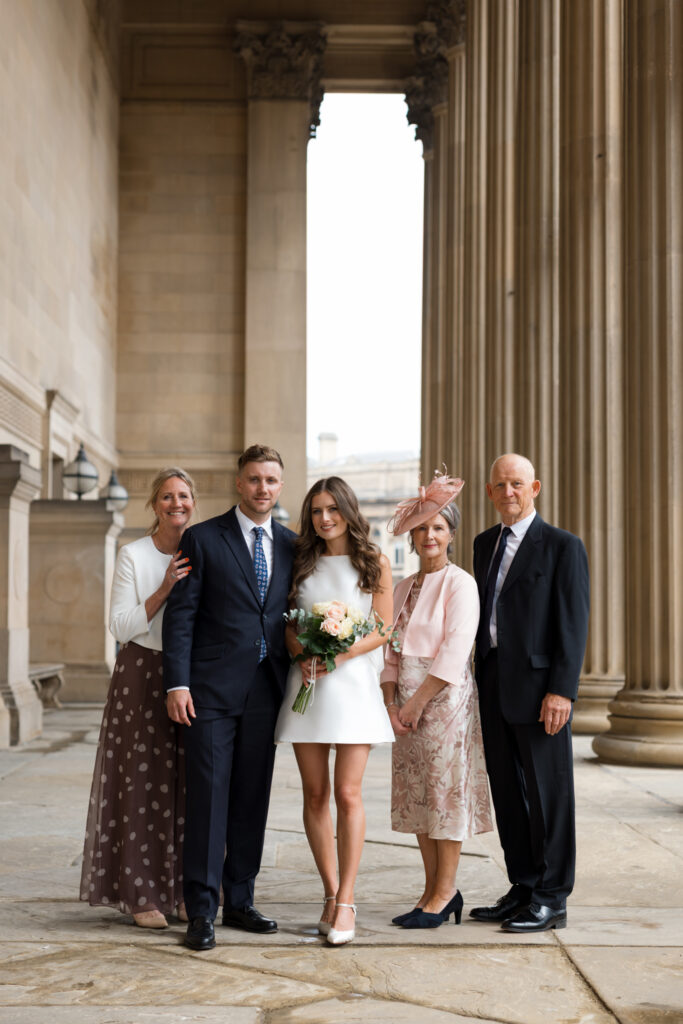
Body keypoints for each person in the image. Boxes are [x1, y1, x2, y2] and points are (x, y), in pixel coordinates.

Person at [163, 444, 296, 952]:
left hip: (267, 689)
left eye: (271, 480)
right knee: (209, 800)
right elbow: (181, 616)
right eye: (254, 479)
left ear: (280, 487)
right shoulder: (201, 538)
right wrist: (177, 684)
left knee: (250, 798)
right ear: (239, 483)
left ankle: (240, 900)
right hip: (209, 692)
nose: (263, 488)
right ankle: (201, 910)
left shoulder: (292, 545)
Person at [470, 453, 589, 932]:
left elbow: (573, 624)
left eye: (517, 484)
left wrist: (562, 690)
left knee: (549, 794)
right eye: (500, 485)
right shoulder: (483, 544)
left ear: (534, 488)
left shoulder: (562, 546)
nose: (508, 492)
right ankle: (522, 885)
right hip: (493, 683)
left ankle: (552, 897)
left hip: (542, 691)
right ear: (489, 492)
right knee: (508, 792)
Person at [274, 477, 394, 946]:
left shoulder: (374, 561)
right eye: (316, 511)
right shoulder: (299, 561)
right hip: (307, 682)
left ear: (348, 510)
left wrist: (339, 655)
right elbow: (286, 624)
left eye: (332, 509)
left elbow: (383, 627)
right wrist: (302, 653)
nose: (325, 519)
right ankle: (328, 892)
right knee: (315, 794)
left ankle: (347, 900)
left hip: (353, 685)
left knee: (347, 792)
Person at [80, 468, 196, 928]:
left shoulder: (202, 548)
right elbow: (121, 626)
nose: (176, 503)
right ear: (154, 504)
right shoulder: (133, 554)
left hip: (192, 674)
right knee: (141, 781)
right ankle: (142, 893)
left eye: (183, 495)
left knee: (189, 781)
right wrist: (164, 587)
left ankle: (185, 890)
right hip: (141, 673)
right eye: (166, 496)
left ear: (193, 502)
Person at [380, 474, 492, 930]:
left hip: (444, 705)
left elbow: (455, 651)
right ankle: (431, 892)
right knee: (420, 800)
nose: (429, 535)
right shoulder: (402, 587)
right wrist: (392, 705)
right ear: (412, 536)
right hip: (404, 708)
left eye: (439, 527)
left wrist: (416, 704)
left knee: (444, 798)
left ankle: (445, 892)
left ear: (451, 534)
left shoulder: (461, 584)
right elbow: (388, 653)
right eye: (422, 527)